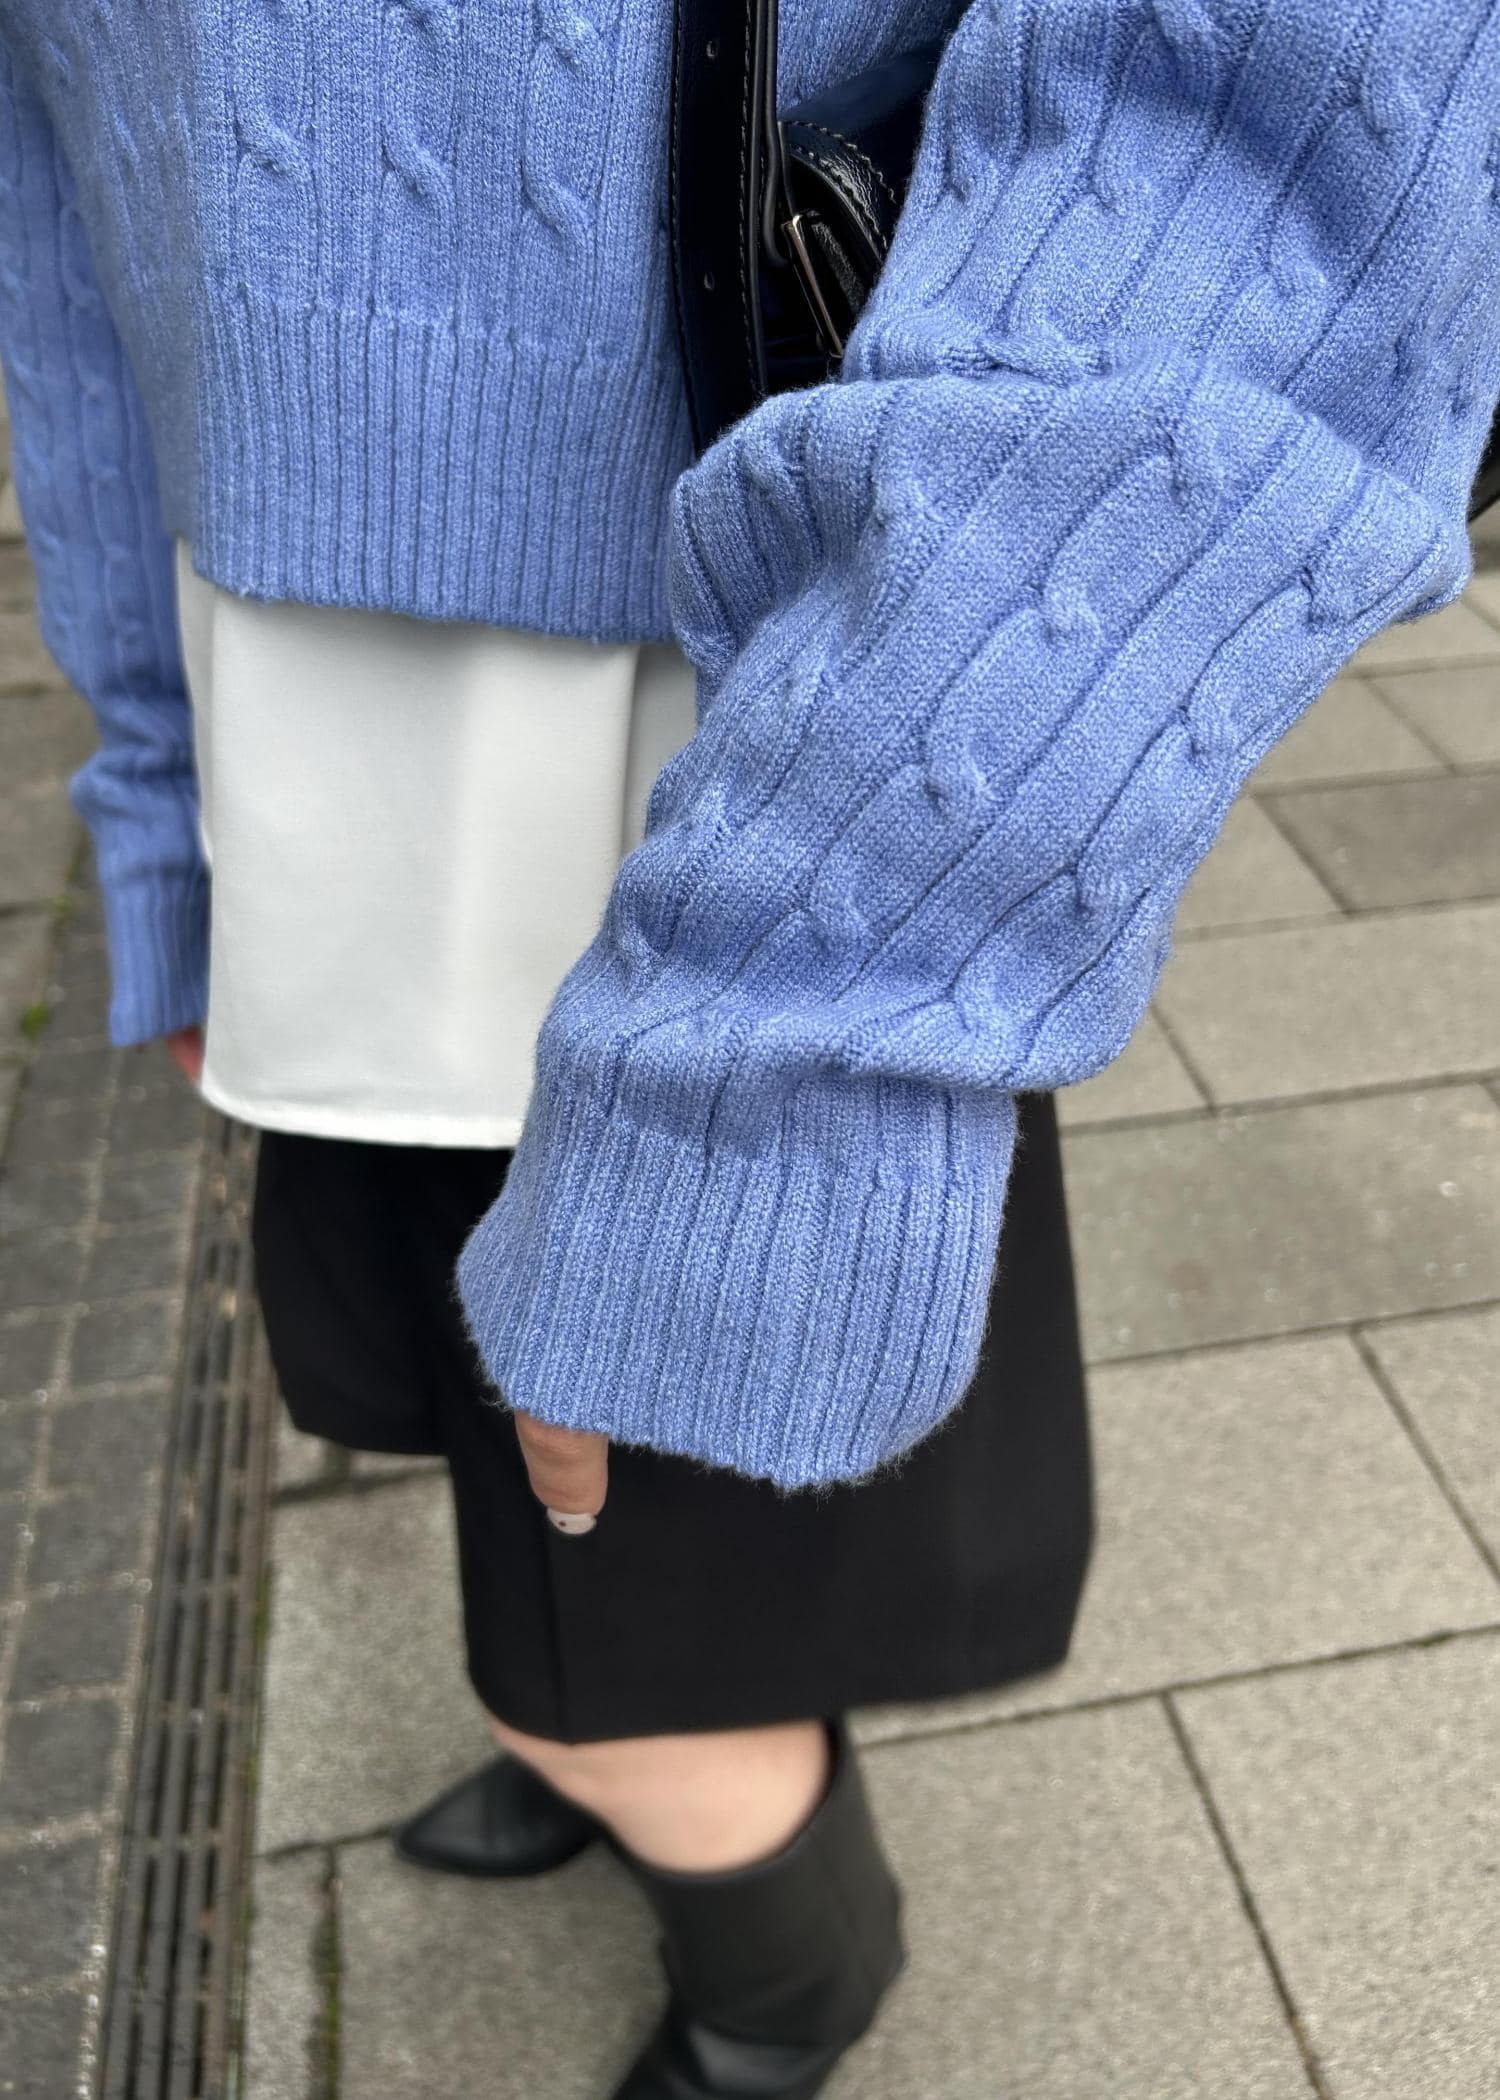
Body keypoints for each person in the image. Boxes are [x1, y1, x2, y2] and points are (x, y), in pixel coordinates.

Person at [2, 2, 1497, 2093]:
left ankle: (786, 1969)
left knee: (652, 1576)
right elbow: (62, 183)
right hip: (298, 726)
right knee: (483, 1440)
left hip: (762, 691)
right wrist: (159, 797)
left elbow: (1266, 135)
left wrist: (808, 1002)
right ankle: (629, 1739)